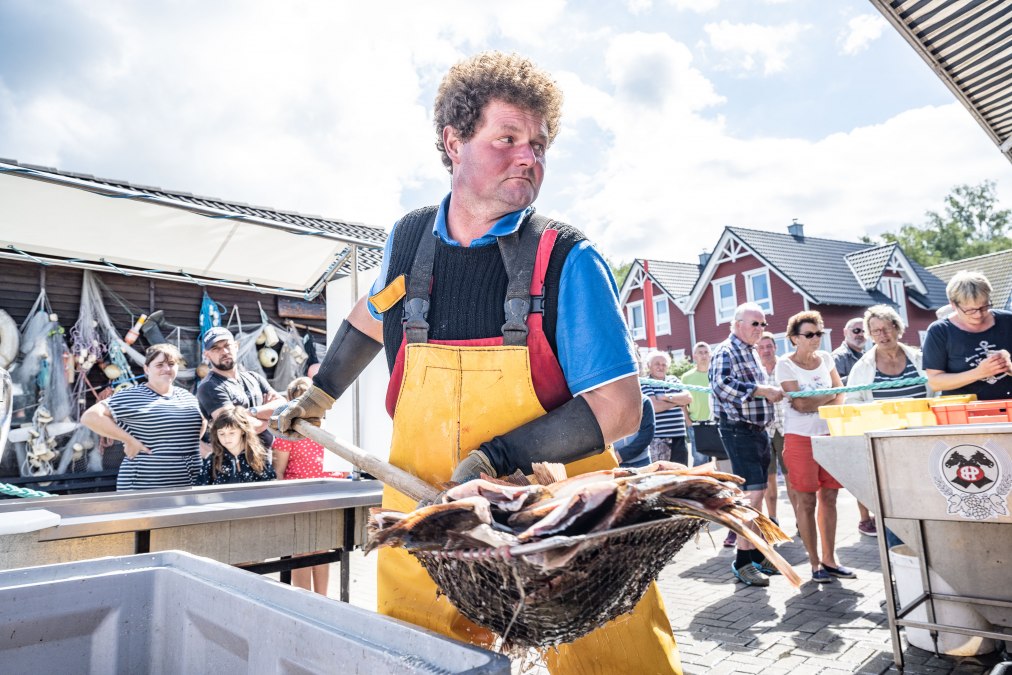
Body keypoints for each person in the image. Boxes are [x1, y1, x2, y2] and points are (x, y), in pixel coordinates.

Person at [272, 51, 682, 673]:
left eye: (539, 145)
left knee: (616, 661)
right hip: (425, 510)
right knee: (419, 658)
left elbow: (619, 410)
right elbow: (370, 313)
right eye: (508, 138)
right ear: (454, 140)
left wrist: (498, 459)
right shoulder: (409, 240)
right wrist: (320, 391)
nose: (529, 157)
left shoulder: (567, 258)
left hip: (563, 521)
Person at [709, 302, 785, 587]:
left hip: (757, 431)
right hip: (738, 430)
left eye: (763, 324)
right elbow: (721, 385)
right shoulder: (726, 351)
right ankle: (742, 560)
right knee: (751, 497)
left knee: (759, 493)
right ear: (737, 324)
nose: (761, 329)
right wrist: (761, 390)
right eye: (756, 323)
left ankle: (757, 554)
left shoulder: (750, 352)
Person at [775, 311, 852, 584]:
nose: (816, 339)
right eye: (809, 334)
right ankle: (814, 562)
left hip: (828, 434)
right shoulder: (785, 365)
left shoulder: (827, 359)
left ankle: (830, 559)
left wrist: (828, 396)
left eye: (819, 333)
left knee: (829, 498)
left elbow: (841, 396)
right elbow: (802, 405)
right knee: (806, 501)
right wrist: (832, 393)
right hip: (799, 438)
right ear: (795, 338)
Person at [846, 304, 930, 547]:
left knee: (924, 499)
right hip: (884, 448)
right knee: (891, 504)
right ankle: (898, 555)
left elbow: (936, 394)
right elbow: (852, 404)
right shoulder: (863, 368)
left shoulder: (919, 359)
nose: (882, 335)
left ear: (897, 327)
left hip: (921, 442)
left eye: (886, 328)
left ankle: (926, 550)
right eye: (875, 331)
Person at [82, 344, 203, 490]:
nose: (166, 369)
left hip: (187, 484)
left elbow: (199, 424)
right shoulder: (131, 395)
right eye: (159, 365)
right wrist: (128, 440)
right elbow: (90, 417)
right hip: (143, 485)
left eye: (171, 364)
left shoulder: (187, 396)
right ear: (146, 369)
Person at [272, 376, 345, 595]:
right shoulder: (285, 435)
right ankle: (304, 599)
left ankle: (322, 598)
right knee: (301, 552)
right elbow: (278, 472)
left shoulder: (327, 430)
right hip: (297, 499)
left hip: (324, 497)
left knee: (322, 550)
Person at [196, 327, 285, 457]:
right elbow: (235, 426)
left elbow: (284, 406)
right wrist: (270, 421)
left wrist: (252, 412)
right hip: (234, 466)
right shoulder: (209, 386)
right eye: (216, 348)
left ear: (236, 346)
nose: (224, 351)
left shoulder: (254, 378)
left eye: (227, 345)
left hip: (265, 459)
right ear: (207, 354)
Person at [923, 271, 1012, 400]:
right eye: (970, 310)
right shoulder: (940, 331)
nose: (978, 315)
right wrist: (979, 373)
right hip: (964, 412)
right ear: (953, 304)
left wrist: (1008, 367)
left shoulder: (1008, 321)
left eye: (984, 307)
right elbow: (935, 382)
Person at [757, 331, 794, 531]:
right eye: (761, 347)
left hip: (785, 428)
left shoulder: (785, 367)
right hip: (764, 430)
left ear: (775, 347)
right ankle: (772, 519)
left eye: (768, 346)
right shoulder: (755, 371)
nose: (765, 351)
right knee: (769, 479)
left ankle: (800, 519)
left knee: (791, 477)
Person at [195, 407, 276, 485]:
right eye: (221, 433)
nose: (226, 438)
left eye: (232, 433)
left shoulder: (259, 457)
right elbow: (200, 493)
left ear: (243, 431)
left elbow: (270, 489)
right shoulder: (212, 461)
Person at [641, 352, 692, 464]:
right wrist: (677, 402)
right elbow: (654, 406)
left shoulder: (674, 380)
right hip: (658, 439)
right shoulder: (645, 383)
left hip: (679, 436)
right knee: (661, 476)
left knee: (682, 475)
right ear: (649, 366)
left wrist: (665, 397)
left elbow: (688, 397)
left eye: (664, 364)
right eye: (657, 364)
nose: (661, 367)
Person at [682, 341, 714, 467]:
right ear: (694, 356)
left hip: (716, 422)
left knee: (720, 458)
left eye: (706, 352)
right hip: (696, 424)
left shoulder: (716, 374)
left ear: (710, 355)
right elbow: (683, 402)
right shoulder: (687, 377)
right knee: (700, 460)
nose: (703, 355)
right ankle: (699, 486)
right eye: (700, 353)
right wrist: (688, 420)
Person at [613, 395, 655, 469]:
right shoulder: (604, 404)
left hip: (641, 462)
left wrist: (622, 454)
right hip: (612, 463)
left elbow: (647, 434)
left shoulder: (644, 401)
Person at [832, 317, 866, 384]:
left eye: (865, 331)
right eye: (856, 330)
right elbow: (835, 386)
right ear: (845, 332)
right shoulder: (837, 358)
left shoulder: (870, 357)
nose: (861, 334)